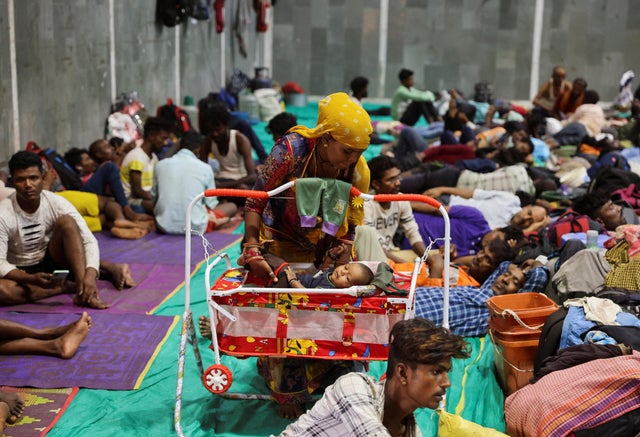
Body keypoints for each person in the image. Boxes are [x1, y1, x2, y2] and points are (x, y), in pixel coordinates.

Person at [242, 91, 374, 418]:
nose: (351, 160)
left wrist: (346, 241)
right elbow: (257, 196)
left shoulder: (356, 168)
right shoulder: (291, 150)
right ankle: (288, 388)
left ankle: (339, 377)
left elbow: (355, 209)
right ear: (326, 139)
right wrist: (250, 244)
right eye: (346, 152)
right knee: (287, 310)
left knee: (337, 308)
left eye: (358, 154)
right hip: (280, 237)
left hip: (326, 244)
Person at [277, 318, 469, 436]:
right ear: (402, 372)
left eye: (446, 373)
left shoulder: (410, 431)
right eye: (436, 372)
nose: (447, 383)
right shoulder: (353, 387)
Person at [0, 151, 134, 309]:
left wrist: (90, 278)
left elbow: (88, 240)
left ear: (43, 178)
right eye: (21, 179)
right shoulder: (4, 212)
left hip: (51, 260)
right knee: (2, 291)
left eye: (33, 178)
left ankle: (83, 289)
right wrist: (30, 279)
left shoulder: (55, 202)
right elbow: (0, 263)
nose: (28, 184)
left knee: (67, 223)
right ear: (12, 183)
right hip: (19, 270)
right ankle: (67, 286)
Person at [414, 260, 549, 337]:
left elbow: (539, 275)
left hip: (410, 316)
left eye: (515, 282)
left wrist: (537, 262)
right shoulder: (483, 289)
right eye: (506, 275)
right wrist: (523, 266)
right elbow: (504, 264)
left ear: (519, 293)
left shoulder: (492, 314)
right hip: (405, 298)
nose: (506, 280)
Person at [151, 130, 237, 234]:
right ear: (198, 149)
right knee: (232, 207)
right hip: (195, 226)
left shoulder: (161, 165)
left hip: (163, 225)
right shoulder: (205, 168)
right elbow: (210, 204)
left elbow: (154, 198)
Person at [364, 155, 427, 263]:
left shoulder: (401, 200)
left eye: (398, 177)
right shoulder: (366, 205)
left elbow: (412, 233)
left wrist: (427, 258)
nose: (398, 182)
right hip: (370, 257)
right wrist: (403, 264)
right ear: (376, 184)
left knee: (437, 257)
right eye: (391, 179)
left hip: (392, 253)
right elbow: (372, 244)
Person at [200, 101, 258, 207]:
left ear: (226, 126)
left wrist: (222, 186)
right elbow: (201, 169)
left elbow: (252, 176)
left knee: (245, 191)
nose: (215, 134)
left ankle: (223, 199)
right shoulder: (209, 141)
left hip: (239, 182)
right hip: (222, 181)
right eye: (211, 131)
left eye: (218, 130)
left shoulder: (240, 140)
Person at [120, 116, 172, 214]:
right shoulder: (136, 157)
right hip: (132, 201)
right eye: (163, 138)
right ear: (152, 136)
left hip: (146, 198)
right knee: (160, 207)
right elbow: (137, 191)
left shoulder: (154, 158)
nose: (165, 143)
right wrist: (159, 199)